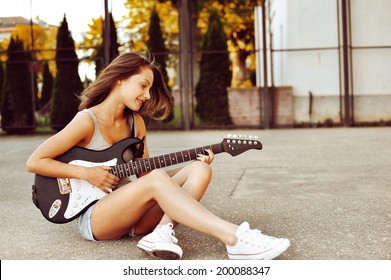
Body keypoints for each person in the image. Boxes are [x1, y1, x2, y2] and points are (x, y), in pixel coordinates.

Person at [26, 52, 290, 260]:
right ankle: (234, 238)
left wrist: (192, 165)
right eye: (143, 85)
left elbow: (147, 176)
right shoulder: (87, 121)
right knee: (156, 180)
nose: (147, 95)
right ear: (120, 79)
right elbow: (35, 162)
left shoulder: (136, 124)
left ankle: (161, 233)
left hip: (133, 215)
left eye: (150, 89)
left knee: (201, 170)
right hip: (95, 217)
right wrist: (86, 173)